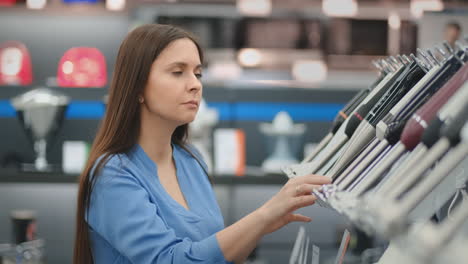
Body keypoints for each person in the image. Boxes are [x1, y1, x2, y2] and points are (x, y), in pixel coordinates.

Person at [73, 24, 331, 264]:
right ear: (137, 86)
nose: (195, 84)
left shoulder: (190, 160)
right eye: (178, 72)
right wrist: (263, 216)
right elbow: (169, 260)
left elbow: (218, 256)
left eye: (198, 73)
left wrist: (263, 225)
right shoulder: (112, 175)